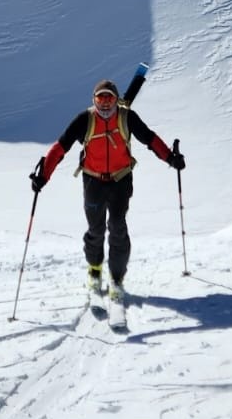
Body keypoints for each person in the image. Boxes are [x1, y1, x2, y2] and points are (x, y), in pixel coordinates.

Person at [30, 79, 185, 304]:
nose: (104, 103)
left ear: (116, 99)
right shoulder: (85, 119)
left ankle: (116, 278)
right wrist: (43, 176)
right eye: (100, 98)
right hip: (93, 181)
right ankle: (94, 268)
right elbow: (61, 147)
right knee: (96, 229)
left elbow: (149, 139)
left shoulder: (127, 117)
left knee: (118, 227)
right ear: (94, 100)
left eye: (109, 98)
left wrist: (171, 158)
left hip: (120, 180)